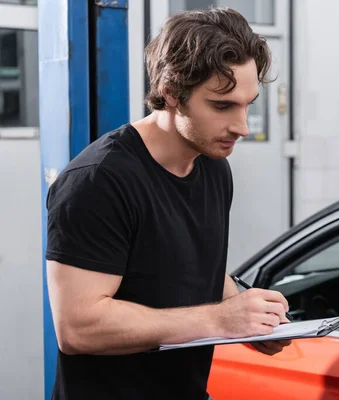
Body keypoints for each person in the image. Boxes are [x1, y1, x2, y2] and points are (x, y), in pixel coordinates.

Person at [45, 8, 291, 400]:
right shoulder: (98, 181)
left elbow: (186, 267)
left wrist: (247, 312)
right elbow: (78, 328)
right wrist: (218, 320)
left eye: (249, 104)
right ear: (172, 93)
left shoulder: (212, 165)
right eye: (223, 106)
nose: (242, 127)